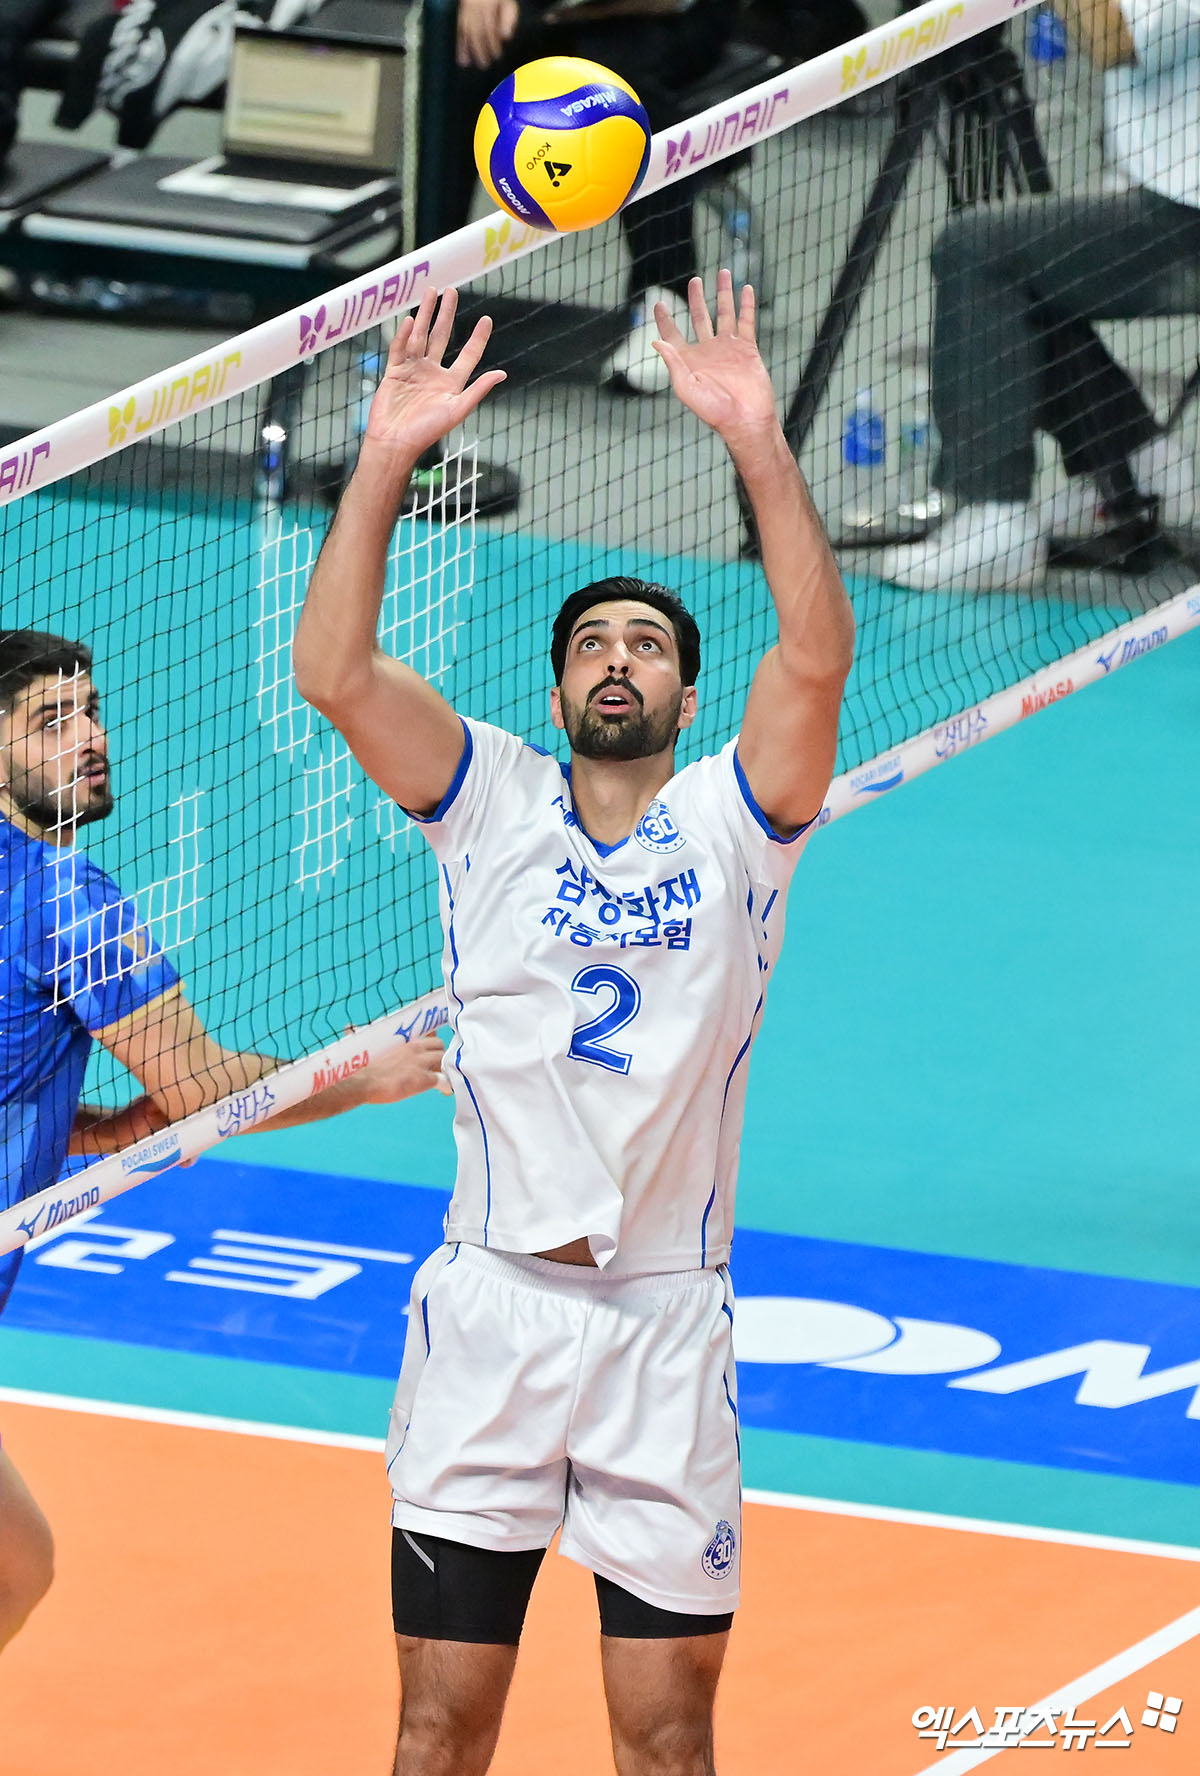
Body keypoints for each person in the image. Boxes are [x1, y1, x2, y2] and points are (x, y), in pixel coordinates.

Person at [293, 273, 854, 1775]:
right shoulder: (488, 798)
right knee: (439, 1730)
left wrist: (757, 442)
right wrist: (387, 455)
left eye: (648, 644)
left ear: (688, 696)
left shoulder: (741, 825)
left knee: (667, 1743)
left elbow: (815, 661)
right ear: (556, 695)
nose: (618, 656)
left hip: (665, 1328)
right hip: (491, 1322)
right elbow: (333, 674)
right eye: (593, 642)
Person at [0, 628, 446, 1655]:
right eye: (51, 723)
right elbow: (200, 1091)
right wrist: (361, 1077)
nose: (90, 738)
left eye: (90, 712)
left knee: (17, 1563)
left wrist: (87, 1132)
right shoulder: (65, 900)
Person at [882, 0, 1200, 593]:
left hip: (1187, 220)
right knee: (1029, 267)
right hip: (1171, 189)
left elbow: (1112, 38)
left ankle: (994, 523)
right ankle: (1135, 464)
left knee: (979, 252)